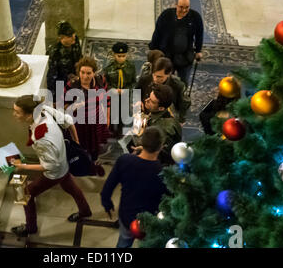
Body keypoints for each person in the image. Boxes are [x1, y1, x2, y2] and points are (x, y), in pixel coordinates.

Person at [11, 95, 92, 237]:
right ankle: (85, 211)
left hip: (55, 171)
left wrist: (23, 166)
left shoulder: (41, 138)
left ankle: (31, 228)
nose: (14, 115)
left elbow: (50, 166)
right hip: (63, 160)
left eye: (17, 112)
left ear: (30, 115)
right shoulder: (44, 110)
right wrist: (76, 142)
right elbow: (68, 122)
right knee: (70, 187)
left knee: (25, 194)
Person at [101, 126, 170, 248]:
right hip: (150, 220)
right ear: (161, 147)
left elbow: (107, 189)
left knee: (124, 241)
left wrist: (107, 204)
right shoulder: (163, 172)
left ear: (142, 142)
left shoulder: (124, 160)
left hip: (127, 216)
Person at [65, 56, 111, 176]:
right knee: (80, 144)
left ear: (94, 73)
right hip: (79, 123)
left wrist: (107, 116)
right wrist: (74, 106)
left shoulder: (100, 81)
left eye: (89, 73)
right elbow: (62, 106)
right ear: (78, 72)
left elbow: (107, 100)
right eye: (82, 72)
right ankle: (84, 163)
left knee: (95, 144)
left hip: (96, 120)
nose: (85, 76)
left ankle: (94, 162)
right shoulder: (72, 85)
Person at [149, 0, 204, 86]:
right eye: (181, 7)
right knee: (165, 81)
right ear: (175, 4)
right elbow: (157, 33)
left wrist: (198, 50)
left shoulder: (195, 17)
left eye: (187, 7)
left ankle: (181, 97)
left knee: (183, 82)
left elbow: (199, 34)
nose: (184, 10)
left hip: (185, 57)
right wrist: (153, 50)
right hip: (167, 56)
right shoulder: (165, 15)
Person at [136, 84, 182, 166]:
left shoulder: (162, 129)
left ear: (161, 108)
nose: (146, 100)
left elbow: (158, 154)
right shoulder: (165, 108)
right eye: (149, 97)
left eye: (152, 101)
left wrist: (143, 146)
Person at [135, 57, 191, 123]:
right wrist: (137, 100)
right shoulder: (146, 77)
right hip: (145, 113)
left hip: (165, 118)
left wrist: (181, 120)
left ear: (169, 74)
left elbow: (184, 104)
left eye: (159, 76)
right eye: (154, 75)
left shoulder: (177, 85)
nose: (155, 79)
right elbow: (136, 90)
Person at [103, 42, 136, 137]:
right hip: (113, 94)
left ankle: (120, 130)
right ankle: (111, 129)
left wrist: (126, 90)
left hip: (125, 94)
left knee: (123, 112)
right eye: (119, 56)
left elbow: (133, 82)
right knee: (113, 111)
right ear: (114, 55)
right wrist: (111, 89)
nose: (121, 58)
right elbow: (105, 82)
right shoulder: (108, 68)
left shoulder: (131, 67)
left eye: (123, 56)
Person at [46, 21, 82, 100]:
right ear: (61, 38)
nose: (73, 37)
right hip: (63, 82)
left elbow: (79, 57)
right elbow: (53, 75)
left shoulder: (75, 41)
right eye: (69, 36)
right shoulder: (54, 51)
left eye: (73, 34)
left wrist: (79, 72)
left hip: (77, 75)